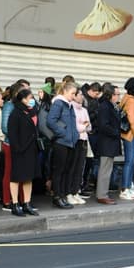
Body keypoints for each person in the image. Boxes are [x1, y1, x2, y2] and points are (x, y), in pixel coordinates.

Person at [7, 88, 40, 217]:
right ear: (23, 99)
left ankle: (27, 203)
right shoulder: (16, 113)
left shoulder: (31, 112)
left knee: (28, 177)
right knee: (16, 177)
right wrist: (18, 148)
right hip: (20, 150)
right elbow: (12, 133)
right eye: (30, 97)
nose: (32, 100)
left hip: (31, 149)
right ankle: (15, 204)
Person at [47, 81, 78, 209]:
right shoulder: (59, 103)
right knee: (59, 171)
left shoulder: (69, 105)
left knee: (65, 170)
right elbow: (50, 121)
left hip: (70, 143)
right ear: (65, 91)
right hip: (61, 142)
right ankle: (57, 197)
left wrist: (73, 136)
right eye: (73, 93)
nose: (74, 96)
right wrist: (63, 133)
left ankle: (63, 196)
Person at [95, 83, 121, 204]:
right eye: (117, 94)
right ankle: (102, 195)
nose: (118, 97)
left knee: (107, 169)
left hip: (110, 142)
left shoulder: (110, 105)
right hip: (107, 142)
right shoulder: (105, 106)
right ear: (110, 94)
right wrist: (116, 132)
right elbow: (103, 125)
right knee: (105, 170)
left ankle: (103, 193)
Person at [71, 87, 92, 205]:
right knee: (73, 167)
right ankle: (70, 192)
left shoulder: (84, 110)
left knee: (80, 168)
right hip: (76, 140)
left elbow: (89, 127)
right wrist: (83, 126)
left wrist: (84, 126)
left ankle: (76, 192)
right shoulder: (71, 108)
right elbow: (76, 127)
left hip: (84, 140)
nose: (82, 97)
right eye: (79, 94)